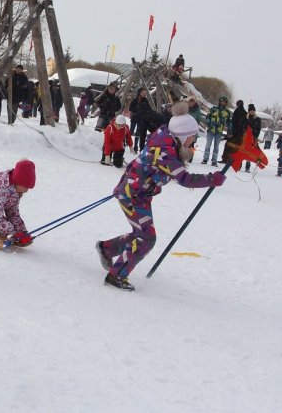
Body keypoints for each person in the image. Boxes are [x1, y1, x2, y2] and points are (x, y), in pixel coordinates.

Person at [96, 102, 226, 291]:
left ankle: (107, 248)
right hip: (133, 196)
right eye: (192, 136)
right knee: (146, 239)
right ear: (182, 134)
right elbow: (185, 179)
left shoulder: (165, 138)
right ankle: (115, 275)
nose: (193, 141)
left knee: (141, 235)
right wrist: (211, 179)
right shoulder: (165, 152)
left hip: (137, 194)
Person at [201, 95, 231, 166]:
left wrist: (230, 130)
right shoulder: (213, 109)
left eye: (224, 102)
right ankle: (205, 159)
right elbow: (207, 117)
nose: (223, 103)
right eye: (221, 101)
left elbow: (228, 122)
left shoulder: (227, 112)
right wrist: (210, 124)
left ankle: (214, 161)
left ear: (226, 103)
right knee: (208, 145)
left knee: (216, 147)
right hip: (211, 130)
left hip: (219, 132)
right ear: (219, 102)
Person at [132, 88, 155, 153]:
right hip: (136, 119)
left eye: (145, 93)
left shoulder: (146, 101)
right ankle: (135, 147)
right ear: (139, 93)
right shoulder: (135, 100)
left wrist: (148, 114)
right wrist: (138, 111)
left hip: (144, 120)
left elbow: (149, 109)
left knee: (142, 135)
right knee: (135, 133)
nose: (144, 94)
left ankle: (141, 149)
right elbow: (131, 108)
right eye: (143, 93)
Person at [244, 104, 262, 172]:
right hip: (245, 137)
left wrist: (255, 136)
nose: (252, 111)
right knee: (242, 150)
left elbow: (258, 129)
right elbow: (243, 126)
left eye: (253, 110)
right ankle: (239, 164)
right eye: (251, 110)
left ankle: (247, 167)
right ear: (249, 111)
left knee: (250, 152)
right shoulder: (245, 118)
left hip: (253, 137)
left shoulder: (257, 119)